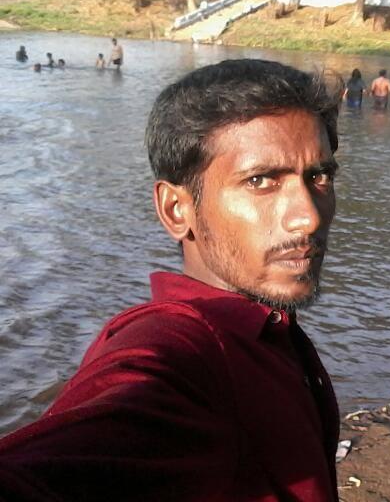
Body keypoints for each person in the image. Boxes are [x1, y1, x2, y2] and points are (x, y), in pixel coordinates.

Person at [0, 59, 342, 502]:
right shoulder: (179, 352)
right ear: (176, 209)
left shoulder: (266, 331)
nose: (308, 217)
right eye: (260, 181)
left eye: (319, 177)